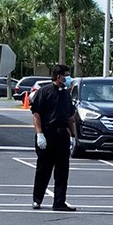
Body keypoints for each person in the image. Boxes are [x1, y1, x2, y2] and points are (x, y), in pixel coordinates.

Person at [30, 64, 76, 211]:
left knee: (62, 171)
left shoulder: (66, 94)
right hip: (47, 134)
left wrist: (73, 136)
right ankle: (37, 199)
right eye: (66, 75)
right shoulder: (44, 92)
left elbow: (70, 117)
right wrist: (39, 134)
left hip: (62, 134)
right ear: (59, 76)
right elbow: (36, 114)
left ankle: (59, 202)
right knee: (44, 169)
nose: (68, 78)